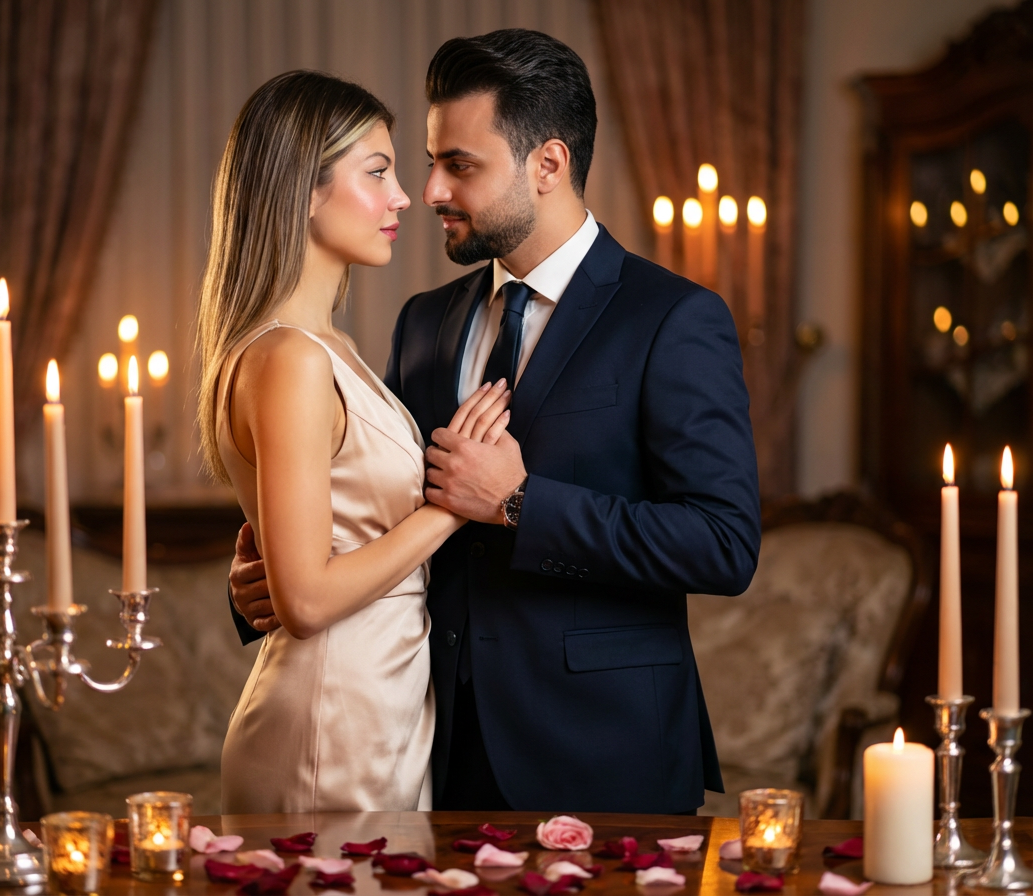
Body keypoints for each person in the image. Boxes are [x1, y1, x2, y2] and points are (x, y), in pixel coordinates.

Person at [230, 30, 761, 814]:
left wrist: (520, 502)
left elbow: (724, 545)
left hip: (605, 755)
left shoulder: (673, 318)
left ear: (547, 165)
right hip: (431, 749)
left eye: (460, 166)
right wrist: (269, 580)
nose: (432, 190)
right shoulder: (424, 322)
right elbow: (373, 498)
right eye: (431, 161)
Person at [198, 70, 514, 814]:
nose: (405, 195)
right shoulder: (291, 360)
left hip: (377, 704)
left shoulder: (323, 345)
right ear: (303, 189)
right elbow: (305, 600)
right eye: (377, 171)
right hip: (329, 723)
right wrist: (457, 505)